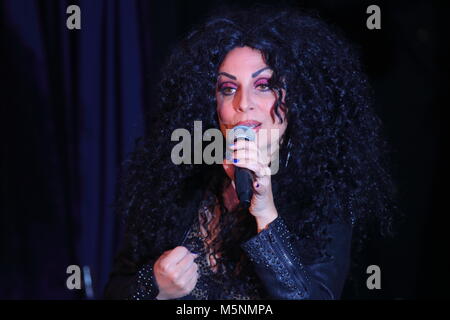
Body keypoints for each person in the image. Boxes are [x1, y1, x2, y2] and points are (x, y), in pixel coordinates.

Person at [104, 4, 395, 300]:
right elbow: (115, 290)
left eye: (264, 85)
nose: (243, 103)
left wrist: (265, 213)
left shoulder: (324, 196)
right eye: (228, 89)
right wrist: (154, 286)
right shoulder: (178, 182)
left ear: (296, 99)